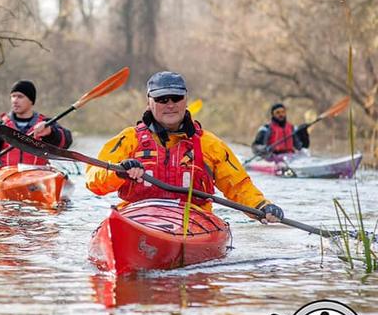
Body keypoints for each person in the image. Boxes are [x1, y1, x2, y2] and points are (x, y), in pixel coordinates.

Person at [85, 71, 284, 223]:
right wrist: (119, 172)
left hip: (193, 220)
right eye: (162, 99)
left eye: (176, 98)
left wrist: (261, 206)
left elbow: (239, 186)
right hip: (138, 217)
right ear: (149, 102)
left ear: (185, 100)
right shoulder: (128, 139)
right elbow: (94, 180)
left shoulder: (209, 144)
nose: (170, 104)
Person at [0, 80, 72, 179]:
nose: (15, 100)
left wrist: (50, 132)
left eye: (20, 97)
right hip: (8, 176)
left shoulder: (45, 124)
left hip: (37, 175)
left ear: (31, 101)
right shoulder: (1, 127)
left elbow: (65, 141)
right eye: (13, 96)